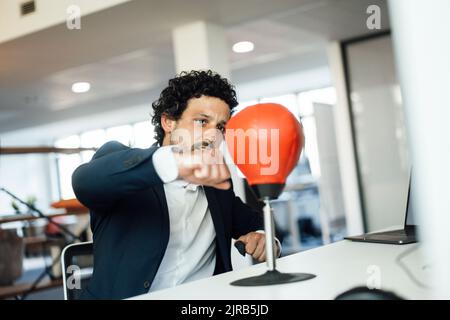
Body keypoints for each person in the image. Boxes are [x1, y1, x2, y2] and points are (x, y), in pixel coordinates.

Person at [72, 70, 280, 300]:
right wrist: (173, 162)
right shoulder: (127, 167)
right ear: (168, 122)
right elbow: (84, 182)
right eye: (201, 122)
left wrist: (262, 236)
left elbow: (254, 220)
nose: (214, 136)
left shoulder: (216, 182)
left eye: (220, 127)